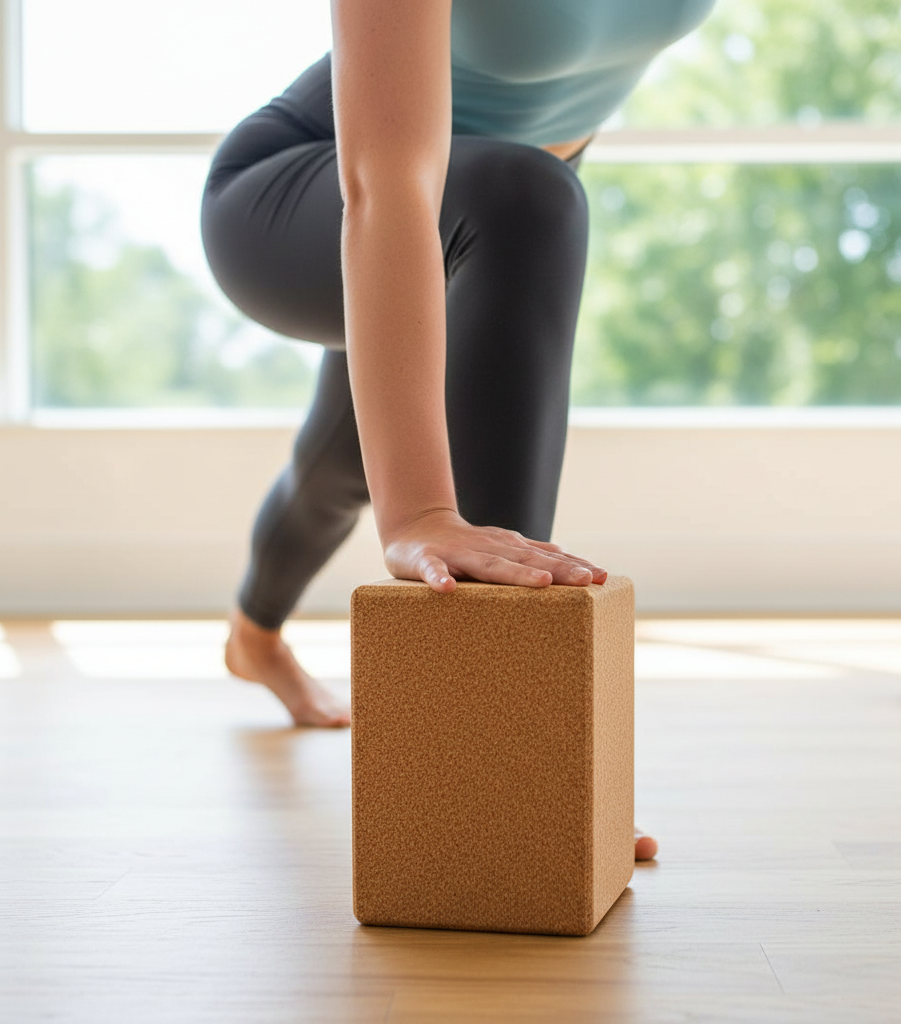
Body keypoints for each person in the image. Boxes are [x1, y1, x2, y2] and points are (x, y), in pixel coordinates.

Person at [202, 0, 716, 863]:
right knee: (528, 198)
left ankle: (253, 639)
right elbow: (389, 181)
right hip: (311, 186)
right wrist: (421, 514)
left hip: (471, 210)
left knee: (335, 469)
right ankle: (505, 750)